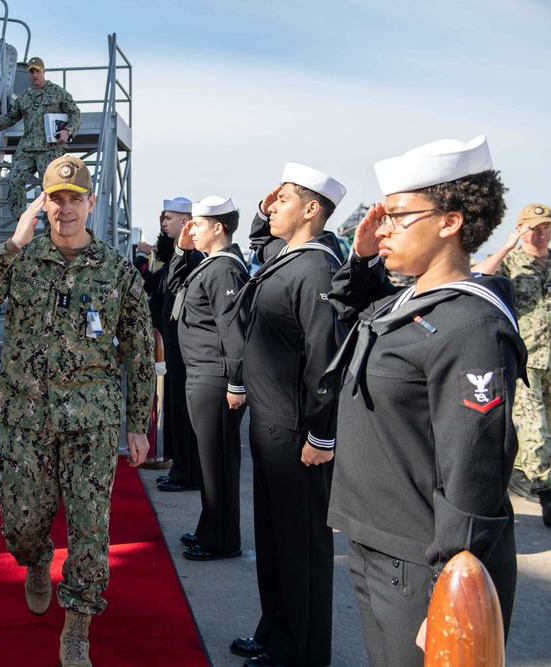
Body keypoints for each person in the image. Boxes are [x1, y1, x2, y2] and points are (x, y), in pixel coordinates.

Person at [322, 135, 525, 665]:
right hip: (376, 540)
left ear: (450, 221)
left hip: (423, 561)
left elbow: (475, 468)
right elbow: (349, 310)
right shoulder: (409, 301)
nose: (381, 227)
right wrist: (364, 257)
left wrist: (454, 585)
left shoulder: (472, 325)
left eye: (397, 216)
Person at [0, 156, 155, 667]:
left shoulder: (118, 271)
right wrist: (14, 242)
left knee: (90, 528)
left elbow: (137, 351)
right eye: (56, 199)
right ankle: (36, 559)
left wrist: (138, 423)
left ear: (90, 203)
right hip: (25, 417)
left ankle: (78, 624)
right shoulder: (19, 259)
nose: (66, 209)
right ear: (44, 203)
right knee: (21, 523)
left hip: (93, 420)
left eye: (74, 199)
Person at [230, 163, 348, 667]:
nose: (272, 207)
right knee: (275, 541)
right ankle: (275, 629)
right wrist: (264, 209)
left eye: (283, 200)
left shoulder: (317, 268)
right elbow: (262, 237)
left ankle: (301, 651)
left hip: (297, 430)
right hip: (271, 423)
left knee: (300, 547)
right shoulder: (288, 256)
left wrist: (322, 436)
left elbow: (325, 360)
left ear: (311, 208)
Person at [169, 196, 249, 561]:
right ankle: (210, 528)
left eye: (197, 224)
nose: (191, 229)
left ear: (218, 227)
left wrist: (236, 382)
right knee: (209, 461)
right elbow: (174, 287)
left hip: (215, 376)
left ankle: (221, 540)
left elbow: (234, 332)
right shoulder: (208, 265)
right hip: (200, 372)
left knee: (217, 463)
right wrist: (182, 250)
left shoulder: (225, 269)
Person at [472, 203, 551, 527]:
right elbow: (479, 275)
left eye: (547, 227)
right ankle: (548, 494)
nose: (542, 233)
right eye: (535, 228)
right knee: (534, 426)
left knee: (544, 427)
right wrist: (507, 245)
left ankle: (522, 471)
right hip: (526, 361)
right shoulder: (511, 262)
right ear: (523, 229)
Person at [0, 56, 82, 218]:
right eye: (31, 72)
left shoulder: (57, 92)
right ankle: (22, 220)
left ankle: (50, 227)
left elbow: (74, 112)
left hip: (50, 149)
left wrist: (68, 131)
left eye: (37, 71)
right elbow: (12, 117)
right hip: (27, 149)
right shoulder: (24, 97)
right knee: (14, 179)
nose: (34, 75)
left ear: (44, 71)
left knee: (50, 188)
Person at [153, 198, 204, 490]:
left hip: (182, 345)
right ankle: (179, 467)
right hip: (171, 343)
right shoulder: (178, 253)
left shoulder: (192, 257)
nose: (164, 223)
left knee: (184, 414)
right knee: (173, 408)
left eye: (169, 218)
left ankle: (186, 473)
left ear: (186, 222)